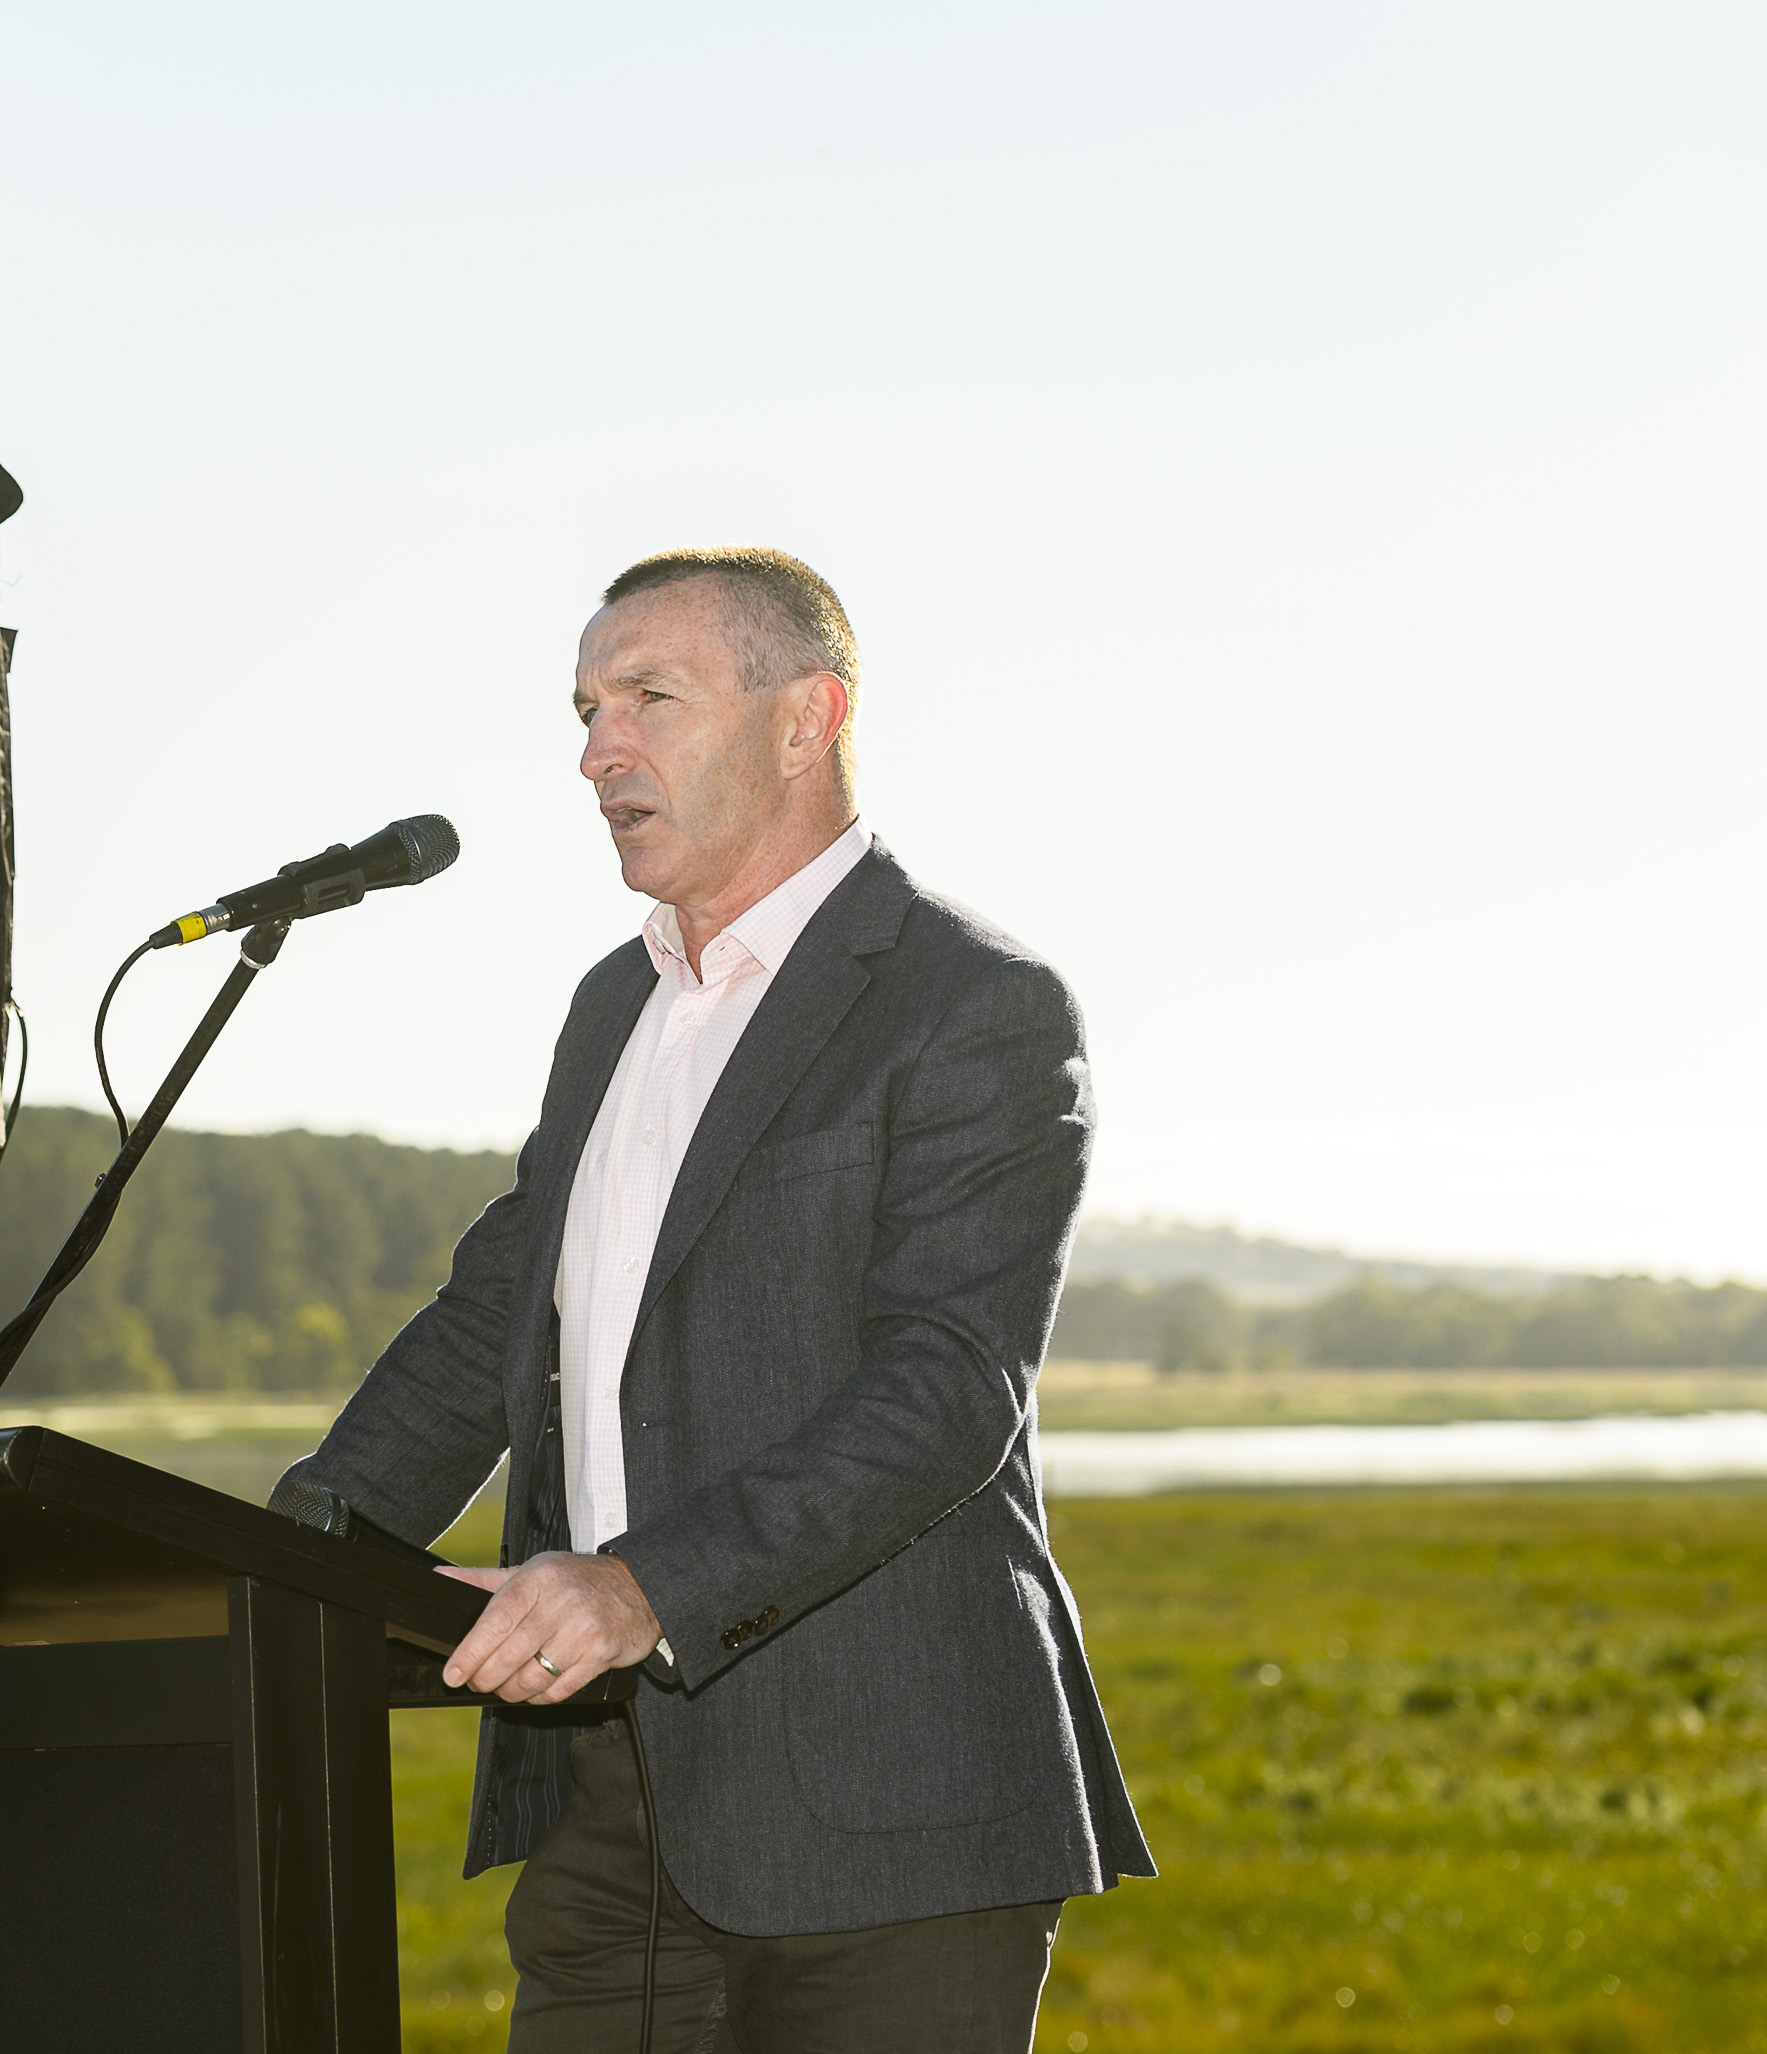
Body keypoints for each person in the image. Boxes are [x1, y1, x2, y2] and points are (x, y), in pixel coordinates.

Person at [276, 547, 1151, 2051]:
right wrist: (273, 1564)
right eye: (585, 710)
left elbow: (947, 1389)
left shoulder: (971, 1001)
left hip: (890, 1806)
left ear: (807, 718)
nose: (596, 751)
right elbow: (497, 1318)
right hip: (606, 1801)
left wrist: (639, 1588)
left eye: (648, 698)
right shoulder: (610, 1006)